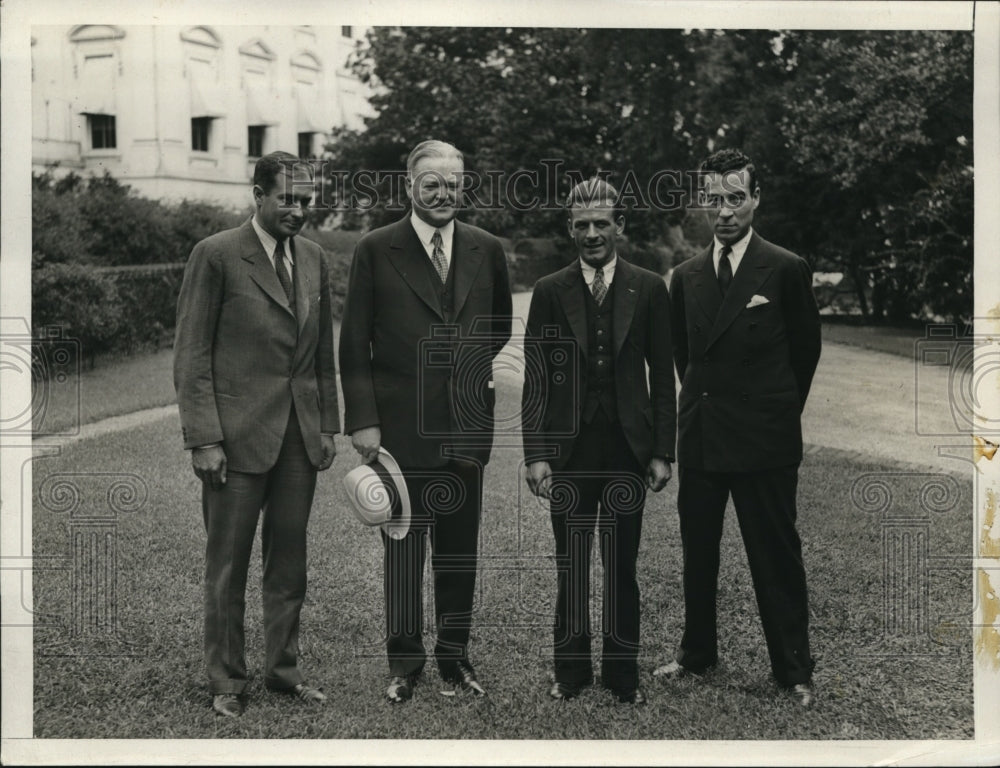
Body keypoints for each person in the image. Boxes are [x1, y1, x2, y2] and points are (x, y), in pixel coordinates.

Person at [338, 139, 513, 703]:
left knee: (460, 551)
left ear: (464, 186)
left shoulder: (486, 248)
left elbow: (499, 328)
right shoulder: (375, 248)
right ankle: (405, 663)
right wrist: (363, 421)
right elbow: (353, 343)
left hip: (465, 428)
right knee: (404, 551)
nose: (443, 193)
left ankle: (455, 660)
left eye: (453, 183)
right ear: (410, 187)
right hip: (399, 432)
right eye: (431, 183)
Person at [173, 151, 339, 717]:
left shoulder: (315, 258)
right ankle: (226, 682)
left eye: (305, 199)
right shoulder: (216, 255)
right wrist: (204, 438)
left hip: (299, 438)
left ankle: (283, 672)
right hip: (235, 440)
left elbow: (323, 355)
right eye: (286, 198)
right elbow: (191, 354)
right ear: (258, 195)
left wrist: (327, 427)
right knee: (228, 566)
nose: (297, 209)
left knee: (289, 563)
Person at [658, 148, 822, 707]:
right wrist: (705, 404)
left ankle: (794, 670)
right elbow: (686, 358)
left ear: (756, 198)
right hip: (702, 435)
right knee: (698, 552)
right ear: (703, 203)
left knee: (775, 555)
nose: (724, 211)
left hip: (765, 440)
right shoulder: (685, 276)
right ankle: (696, 654)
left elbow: (804, 355)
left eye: (735, 198)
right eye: (714, 200)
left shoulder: (784, 267)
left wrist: (772, 414)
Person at [521, 178, 676, 705]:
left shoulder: (650, 287)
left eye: (602, 224)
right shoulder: (549, 290)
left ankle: (622, 674)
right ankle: (570, 672)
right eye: (582, 225)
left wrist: (661, 451)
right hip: (570, 452)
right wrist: (537, 454)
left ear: (620, 227)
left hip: (628, 451)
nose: (592, 234)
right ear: (570, 229)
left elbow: (663, 375)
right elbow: (536, 379)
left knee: (621, 565)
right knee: (572, 563)